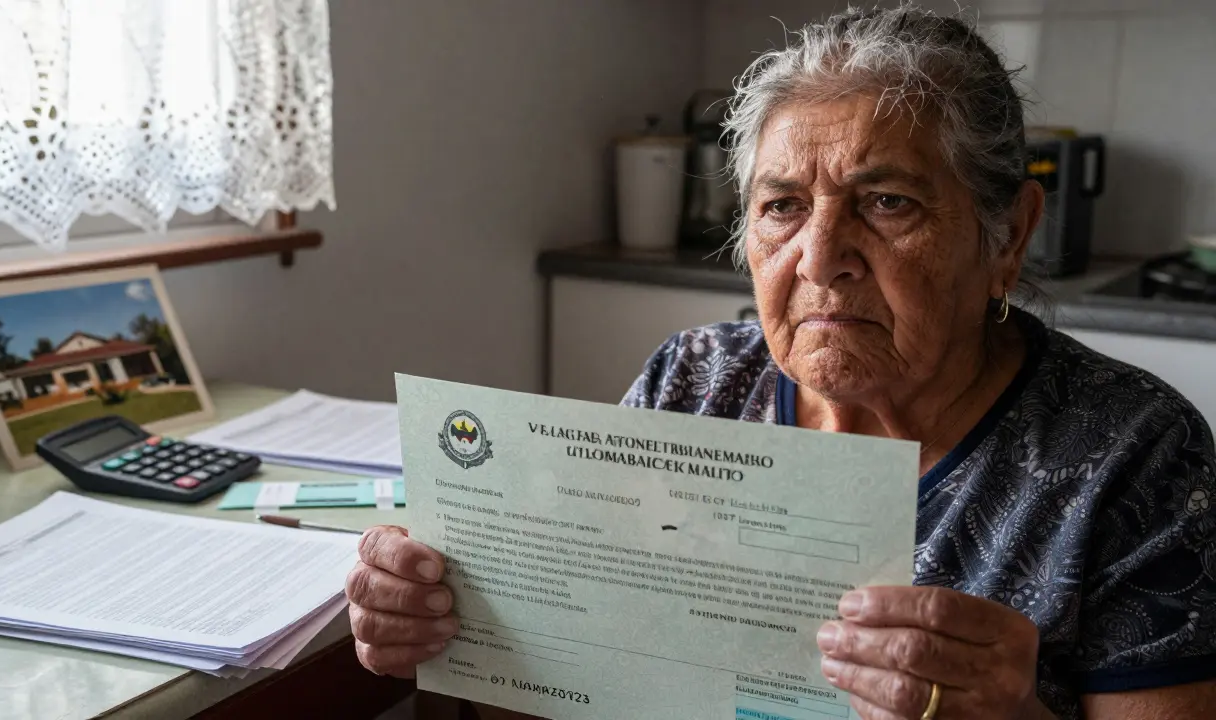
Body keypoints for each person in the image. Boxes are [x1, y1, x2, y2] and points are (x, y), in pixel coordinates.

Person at [346, 6, 1216, 718]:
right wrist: (459, 621)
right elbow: (568, 692)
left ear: (1009, 236)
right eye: (782, 206)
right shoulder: (691, 385)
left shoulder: (1134, 456)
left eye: (886, 202)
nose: (819, 254)